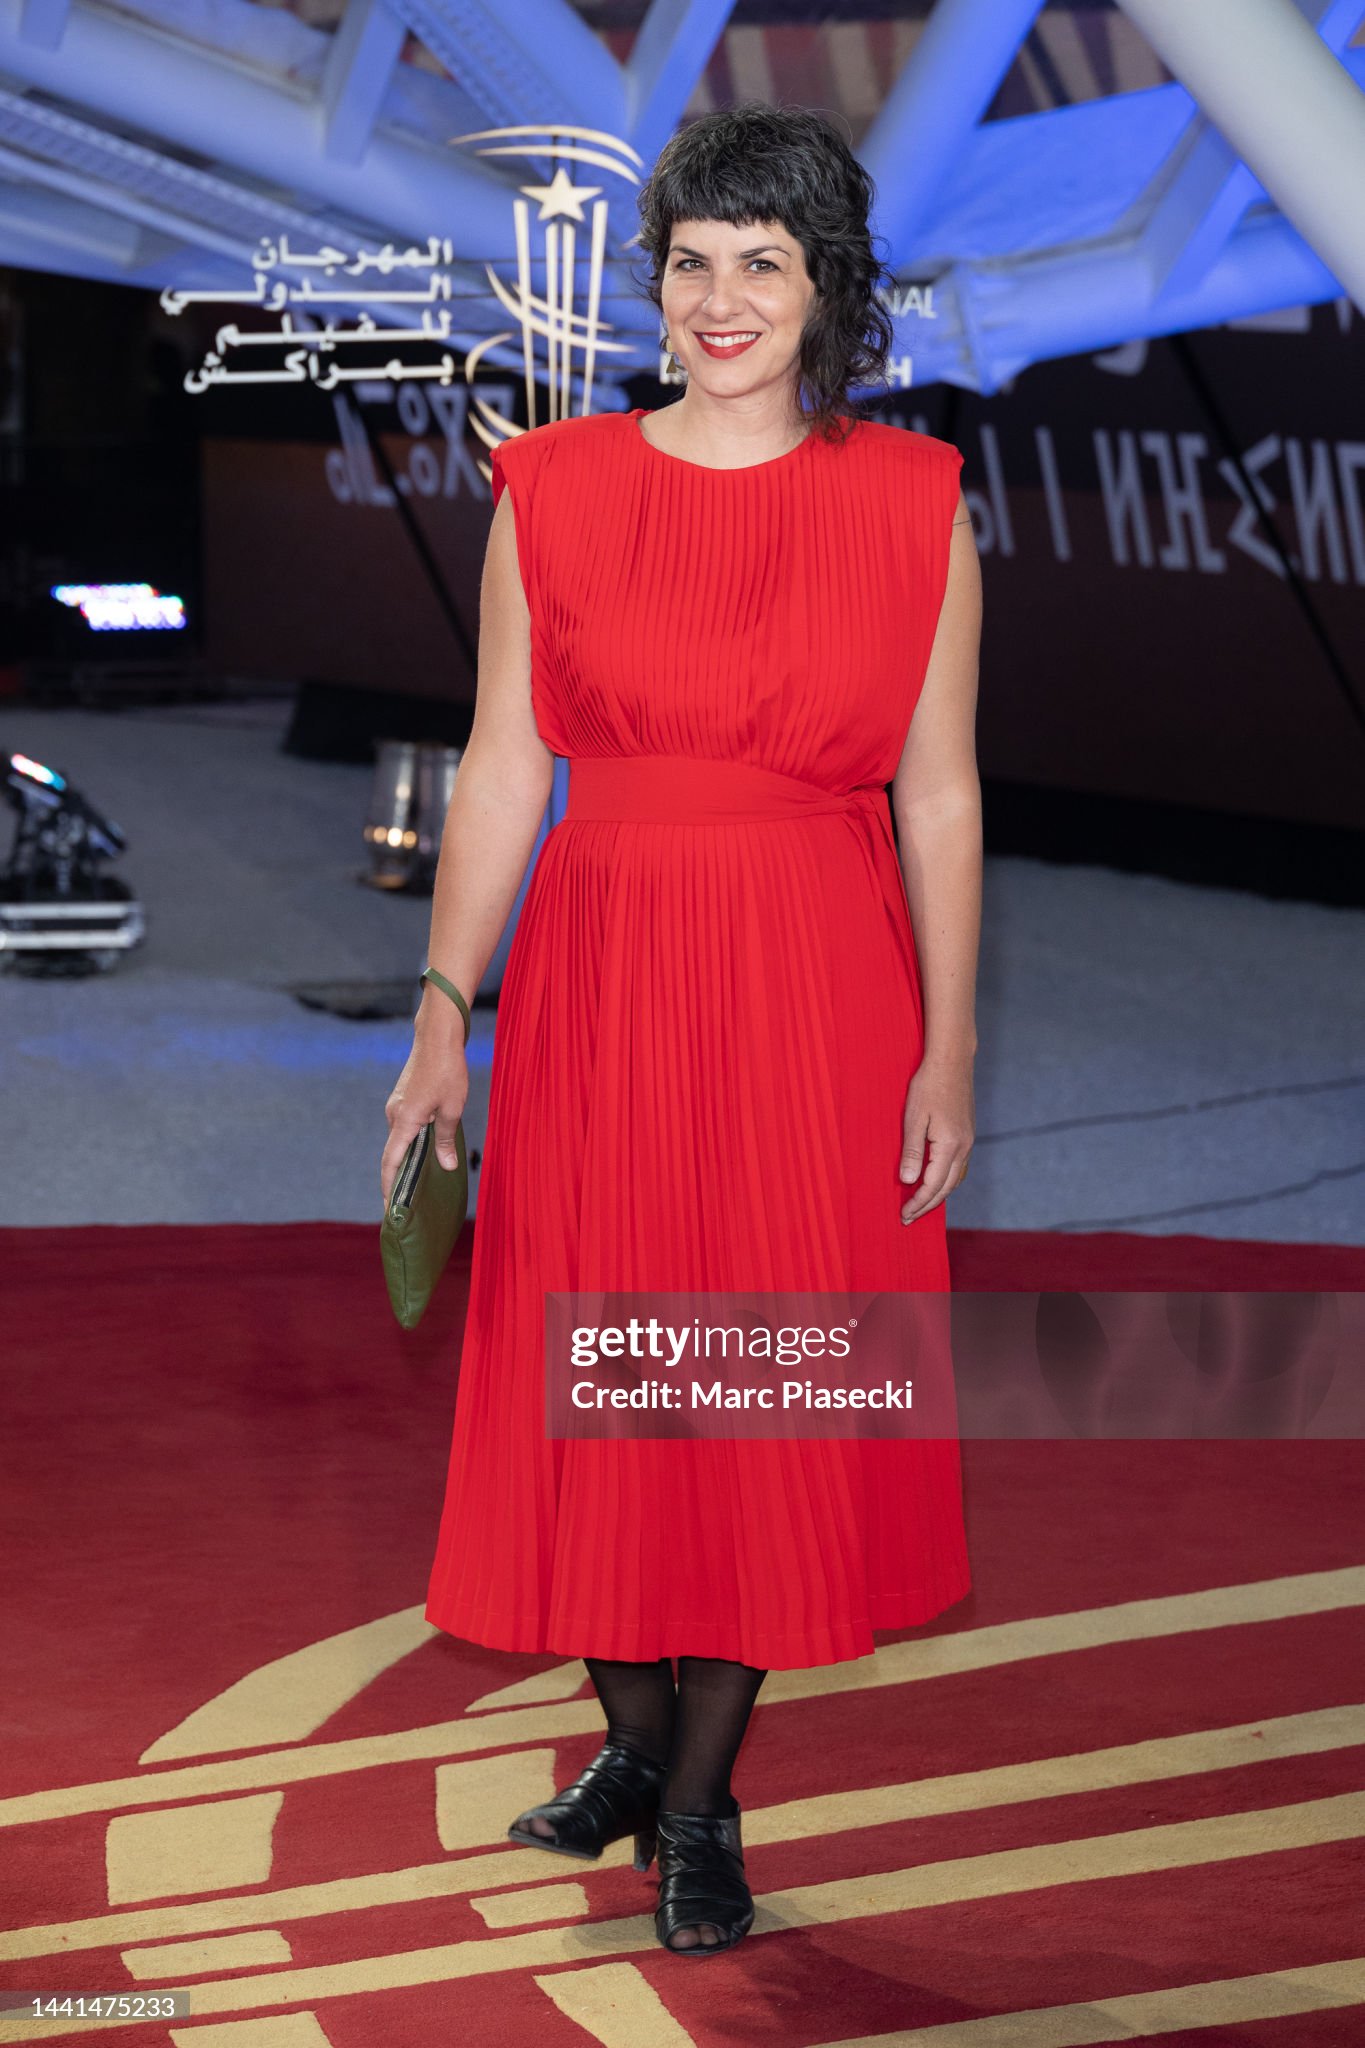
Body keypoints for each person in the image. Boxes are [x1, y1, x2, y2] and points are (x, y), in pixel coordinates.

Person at [382, 102, 983, 1959]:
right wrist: (437, 1017)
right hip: (603, 982)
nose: (721, 300)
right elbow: (499, 774)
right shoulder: (550, 487)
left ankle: (704, 1799)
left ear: (826, 296)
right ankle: (629, 1744)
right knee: (606, 1383)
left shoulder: (910, 503)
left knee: (763, 1393)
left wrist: (947, 1045)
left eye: (765, 266)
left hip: (817, 988)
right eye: (693, 262)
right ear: (653, 285)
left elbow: (938, 795)